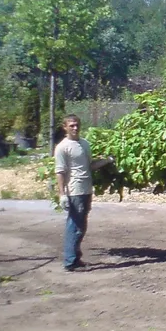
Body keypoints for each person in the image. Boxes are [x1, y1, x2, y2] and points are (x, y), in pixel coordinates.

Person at [55, 114, 111, 271]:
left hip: (86, 188)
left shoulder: (84, 144)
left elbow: (89, 166)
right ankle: (70, 261)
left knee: (81, 224)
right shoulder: (62, 147)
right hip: (74, 190)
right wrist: (62, 194)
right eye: (71, 125)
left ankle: (75, 258)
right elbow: (60, 171)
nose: (75, 128)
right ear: (64, 127)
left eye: (77, 124)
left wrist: (107, 160)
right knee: (74, 225)